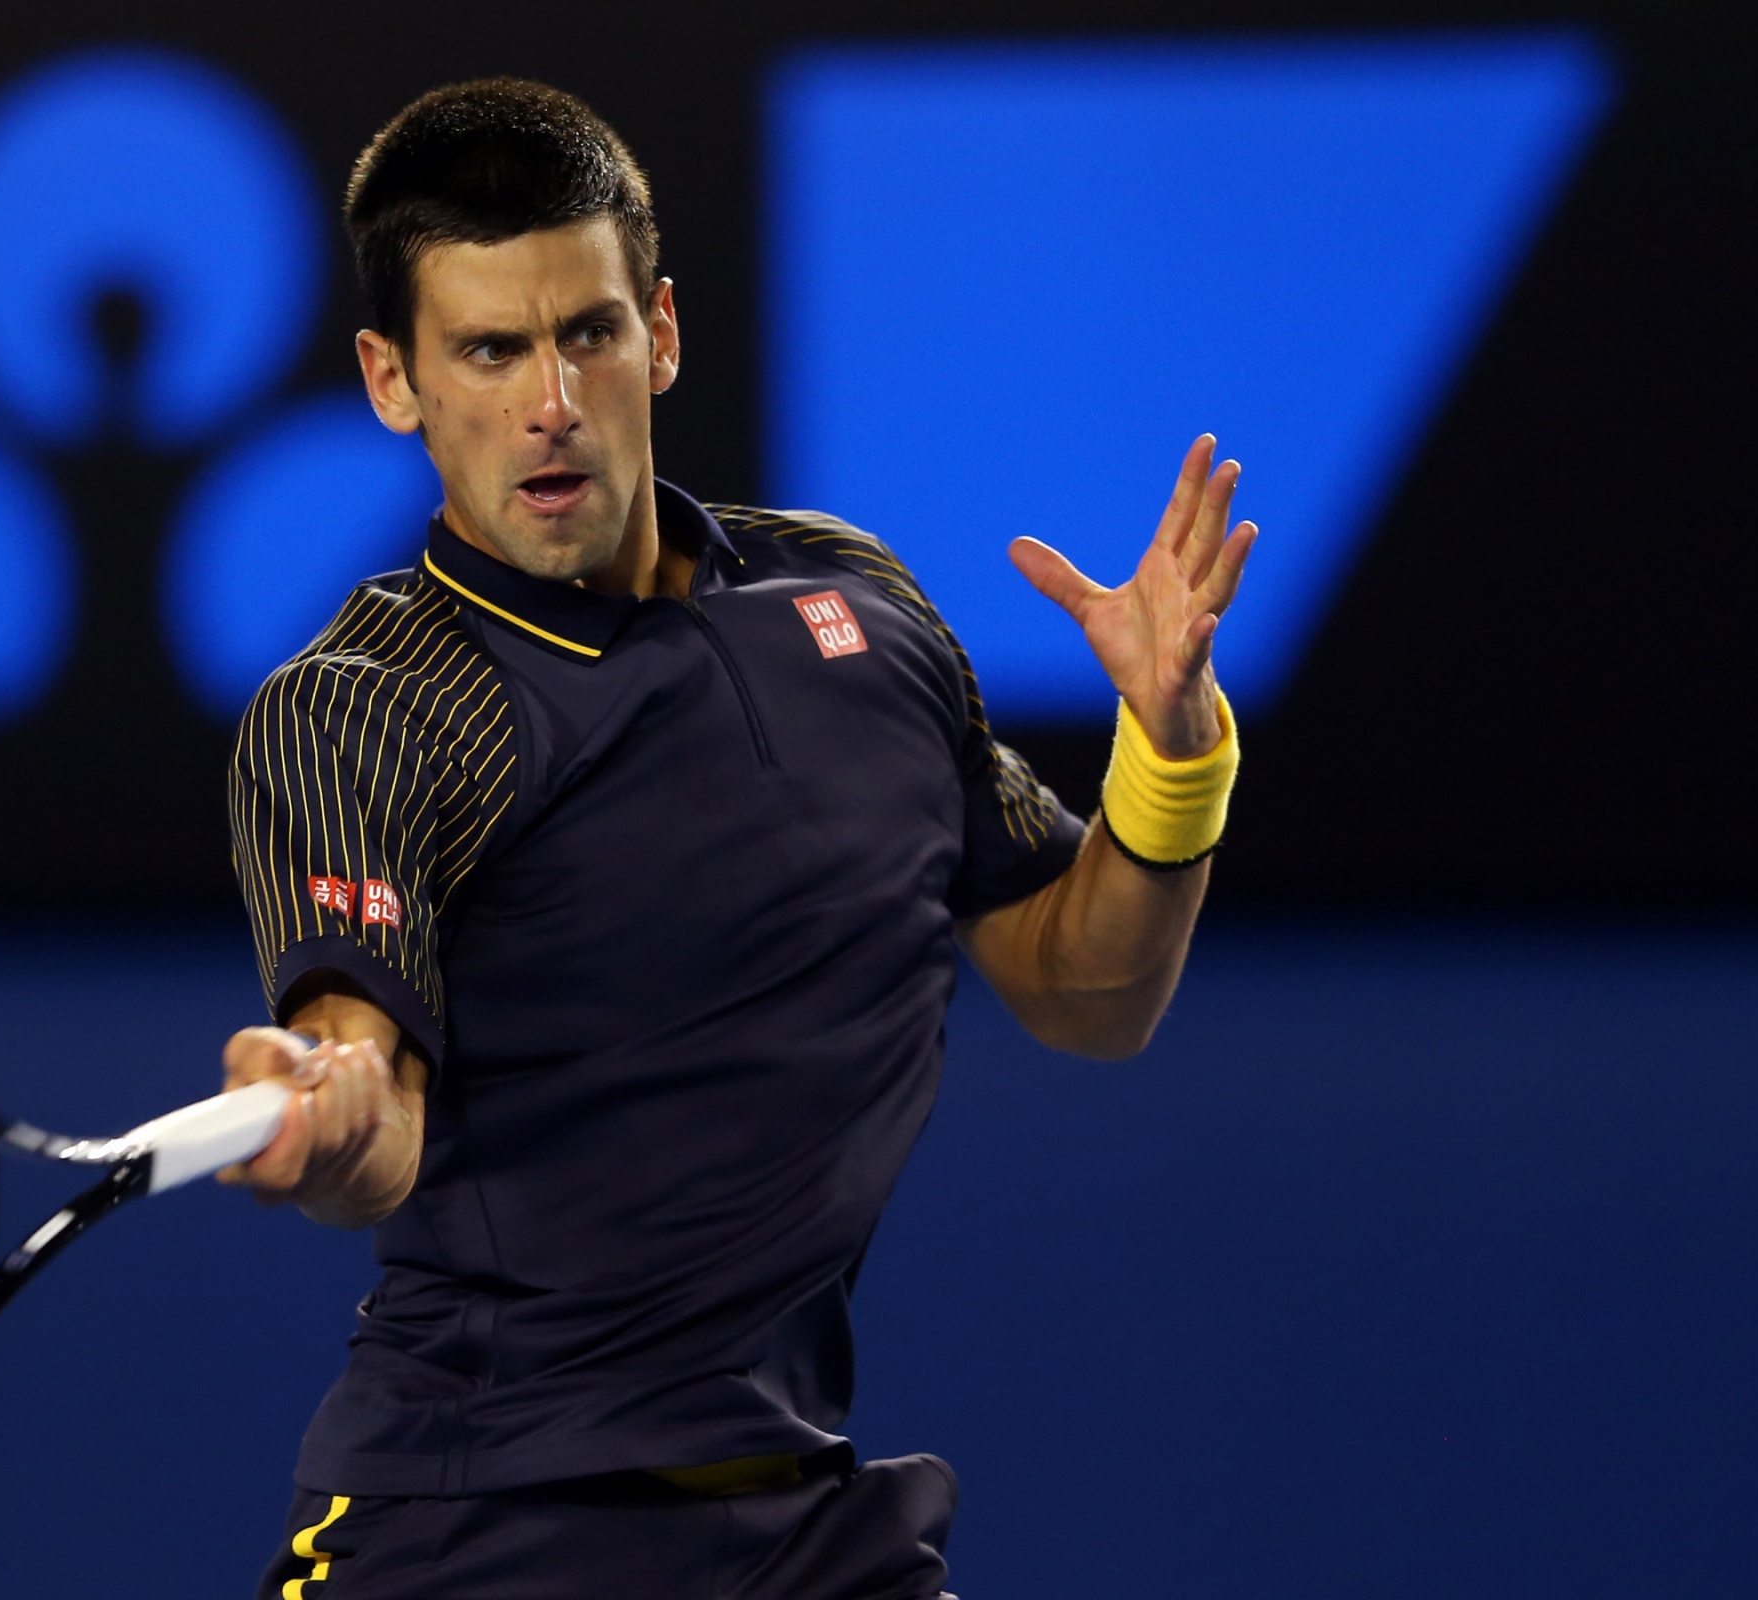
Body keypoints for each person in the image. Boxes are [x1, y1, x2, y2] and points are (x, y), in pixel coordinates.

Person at [217, 78, 1251, 1600]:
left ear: (664, 333)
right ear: (394, 380)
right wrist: (331, 1101)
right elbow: (371, 1096)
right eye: (489, 352)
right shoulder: (364, 710)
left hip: (806, 1529)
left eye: (589, 333)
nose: (550, 400)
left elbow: (1085, 990)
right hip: (473, 1533)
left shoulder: (858, 606)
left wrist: (1170, 755)